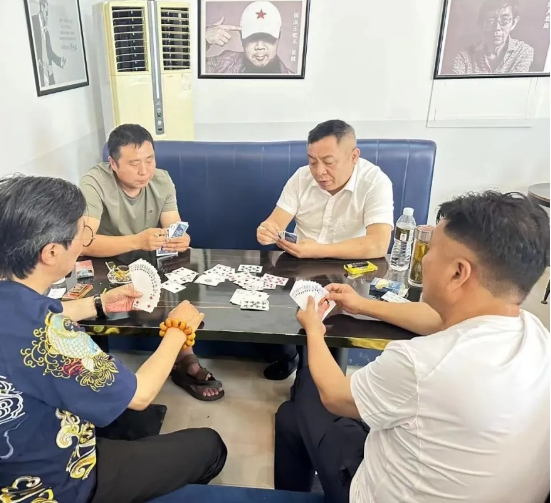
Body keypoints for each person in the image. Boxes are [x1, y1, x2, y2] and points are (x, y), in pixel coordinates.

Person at [0, 175, 227, 503]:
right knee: (210, 445)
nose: (84, 241)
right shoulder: (50, 338)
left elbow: (26, 314)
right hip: (52, 488)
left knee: (128, 419)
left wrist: (99, 304)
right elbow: (140, 394)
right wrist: (178, 329)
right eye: (80, 234)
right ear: (51, 252)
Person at [274, 190, 550, 503]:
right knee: (291, 418)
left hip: (372, 493)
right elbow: (437, 321)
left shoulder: (423, 364)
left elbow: (335, 396)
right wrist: (361, 305)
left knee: (307, 388)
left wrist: (313, 328)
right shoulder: (537, 337)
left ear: (458, 272)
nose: (424, 258)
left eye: (429, 250)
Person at [79, 123, 224, 401]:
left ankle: (184, 358)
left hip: (149, 261)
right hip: (104, 264)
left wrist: (180, 239)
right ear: (113, 164)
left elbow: (173, 227)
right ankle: (97, 368)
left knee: (185, 274)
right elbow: (85, 242)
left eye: (150, 160)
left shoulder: (162, 180)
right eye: (134, 163)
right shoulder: (94, 182)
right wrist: (137, 241)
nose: (145, 170)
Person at [255, 120, 394, 381]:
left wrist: (318, 250)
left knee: (330, 325)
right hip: (300, 265)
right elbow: (275, 222)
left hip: (350, 270)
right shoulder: (301, 177)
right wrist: (267, 230)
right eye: (312, 161)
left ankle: (314, 377)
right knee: (263, 306)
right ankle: (290, 356)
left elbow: (378, 244)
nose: (319, 172)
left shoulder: (375, 182)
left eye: (329, 162)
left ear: (354, 156)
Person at [205, 1, 293, 74]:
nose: (259, 46)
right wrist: (204, 40)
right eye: (252, 38)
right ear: (241, 38)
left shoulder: (293, 80)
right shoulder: (223, 65)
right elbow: (197, 73)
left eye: (267, 38)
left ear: (279, 36)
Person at [452, 0, 534, 75]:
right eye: (490, 20)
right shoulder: (464, 56)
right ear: (480, 24)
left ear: (514, 23)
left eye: (505, 20)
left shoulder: (524, 51)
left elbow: (517, 84)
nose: (497, 27)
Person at [31, 0, 66, 87]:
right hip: (39, 73)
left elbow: (49, 52)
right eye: (46, 12)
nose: (47, 16)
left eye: (48, 14)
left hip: (48, 72)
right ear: (41, 8)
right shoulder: (32, 22)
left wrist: (59, 60)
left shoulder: (46, 30)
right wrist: (38, 61)